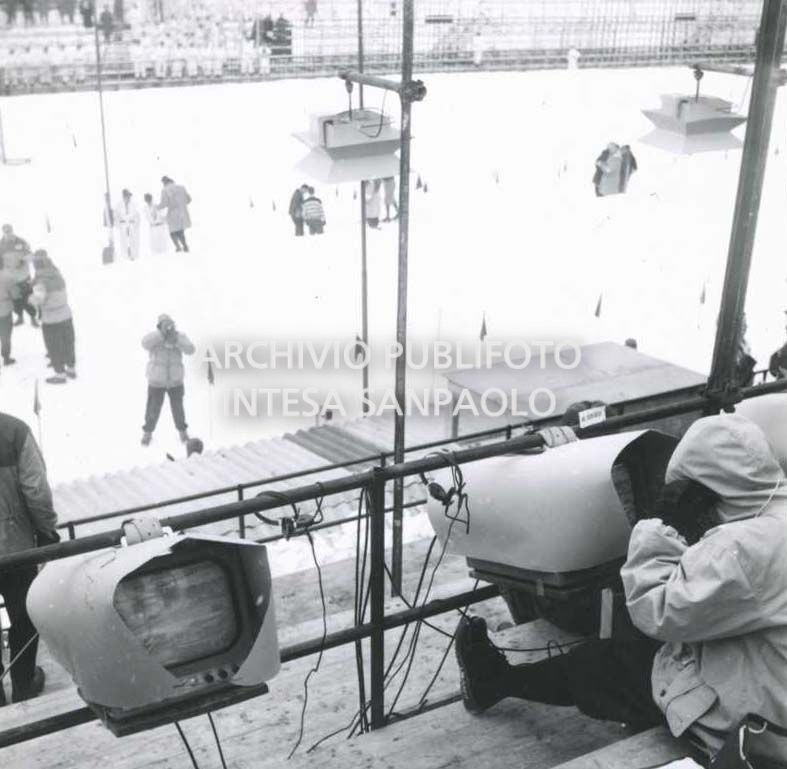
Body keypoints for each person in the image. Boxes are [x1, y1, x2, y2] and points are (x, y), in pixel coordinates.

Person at [455, 413, 787, 766]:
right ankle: (500, 679)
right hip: (771, 670)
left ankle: (496, 680)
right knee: (631, 650)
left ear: (706, 488)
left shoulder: (743, 546)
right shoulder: (770, 520)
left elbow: (654, 609)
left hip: (759, 714)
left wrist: (659, 524)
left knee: (620, 663)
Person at [0, 411, 59, 705]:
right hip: (14, 547)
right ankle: (23, 682)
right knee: (24, 615)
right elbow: (36, 491)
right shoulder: (14, 431)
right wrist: (47, 531)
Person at [141, 313, 195, 446]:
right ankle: (147, 434)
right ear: (159, 326)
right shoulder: (154, 338)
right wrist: (161, 335)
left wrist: (176, 340)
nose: (168, 327)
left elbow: (191, 349)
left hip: (175, 381)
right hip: (156, 381)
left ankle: (183, 432)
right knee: (152, 409)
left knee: (178, 409)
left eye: (170, 324)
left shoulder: (179, 337)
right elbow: (144, 343)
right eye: (165, 325)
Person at [30, 250, 76, 384]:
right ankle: (71, 369)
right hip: (66, 315)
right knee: (68, 343)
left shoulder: (40, 281)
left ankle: (60, 374)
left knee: (54, 346)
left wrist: (30, 298)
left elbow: (38, 300)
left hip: (51, 319)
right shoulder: (57, 274)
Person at [0, 224, 36, 327]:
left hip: (23, 276)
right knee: (15, 299)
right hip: (10, 279)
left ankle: (33, 317)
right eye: (6, 232)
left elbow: (31, 255)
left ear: (12, 230)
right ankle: (20, 317)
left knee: (28, 297)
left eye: (9, 231)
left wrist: (23, 260)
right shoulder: (1, 245)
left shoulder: (21, 241)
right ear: (3, 232)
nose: (8, 234)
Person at [157, 176, 192, 252]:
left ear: (164, 183)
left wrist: (156, 207)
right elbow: (189, 200)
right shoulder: (182, 187)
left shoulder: (165, 190)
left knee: (172, 231)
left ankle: (178, 247)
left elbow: (164, 203)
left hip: (173, 213)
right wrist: (181, 203)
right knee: (180, 230)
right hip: (182, 213)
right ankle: (185, 246)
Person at [0, 259, 19, 367]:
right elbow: (15, 294)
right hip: (4, 310)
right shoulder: (7, 277)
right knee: (5, 335)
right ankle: (6, 358)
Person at [114, 188, 140, 260]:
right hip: (123, 224)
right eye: (127, 196)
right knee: (124, 241)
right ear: (124, 196)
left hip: (131, 224)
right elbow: (116, 216)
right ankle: (125, 255)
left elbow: (137, 215)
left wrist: (135, 225)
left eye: (129, 196)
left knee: (133, 240)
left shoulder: (134, 204)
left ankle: (133, 255)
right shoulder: (118, 205)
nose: (129, 198)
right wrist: (118, 225)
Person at [734, 313, 756, 387]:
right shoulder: (729, 346)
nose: (745, 327)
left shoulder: (746, 344)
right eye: (742, 325)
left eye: (745, 324)